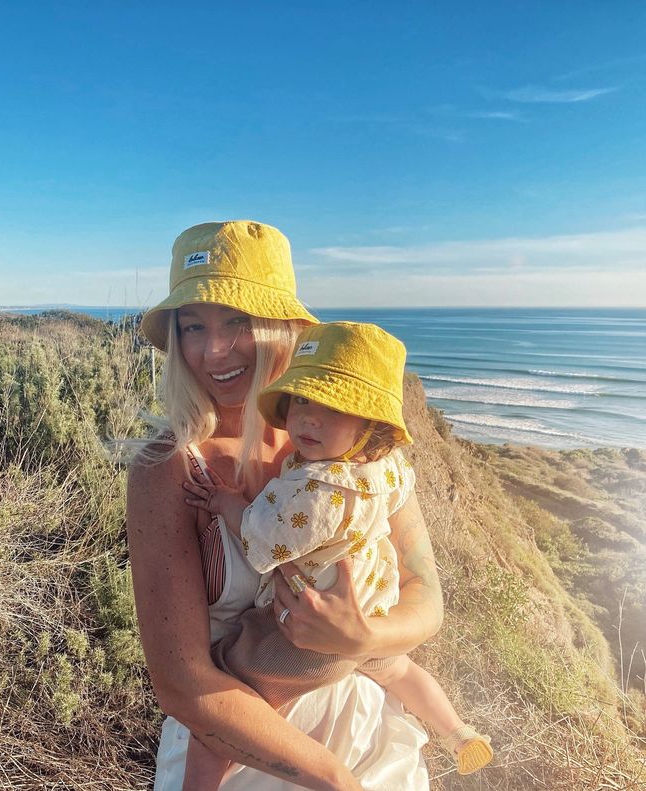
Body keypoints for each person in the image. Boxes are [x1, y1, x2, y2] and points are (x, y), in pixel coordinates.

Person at [127, 220, 444, 790]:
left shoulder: (361, 446)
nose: (214, 351)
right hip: (241, 749)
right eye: (193, 326)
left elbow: (425, 593)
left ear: (286, 329)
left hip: (364, 729)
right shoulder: (169, 468)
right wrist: (335, 780)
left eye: (239, 322)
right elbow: (180, 680)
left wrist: (365, 639)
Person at [181, 321, 493, 788]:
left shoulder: (317, 491)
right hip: (370, 612)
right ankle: (456, 730)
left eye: (332, 408)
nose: (308, 419)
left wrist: (226, 502)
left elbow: (261, 541)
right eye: (302, 400)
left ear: (371, 426)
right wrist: (365, 637)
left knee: (222, 719)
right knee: (402, 670)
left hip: (306, 637)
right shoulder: (385, 469)